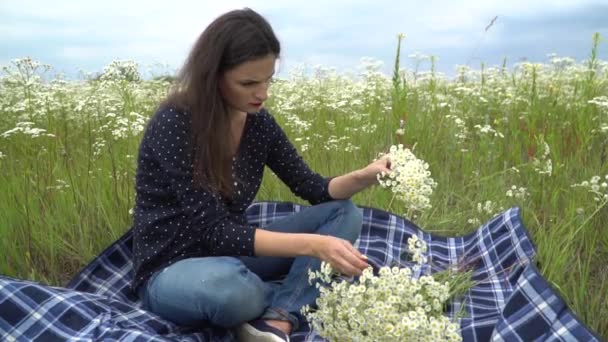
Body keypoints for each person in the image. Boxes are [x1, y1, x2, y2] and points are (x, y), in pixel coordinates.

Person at [131, 7, 391, 342]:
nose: (263, 93)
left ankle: (280, 318)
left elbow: (313, 188)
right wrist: (313, 247)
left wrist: (367, 175)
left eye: (268, 79)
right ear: (214, 77)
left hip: (234, 254)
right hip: (171, 269)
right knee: (234, 291)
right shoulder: (176, 124)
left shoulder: (258, 124)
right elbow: (215, 232)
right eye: (249, 83)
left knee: (344, 212)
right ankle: (303, 293)